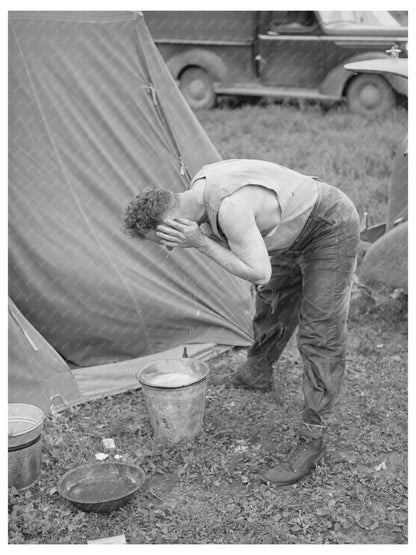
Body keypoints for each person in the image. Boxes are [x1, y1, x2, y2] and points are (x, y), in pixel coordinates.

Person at [122, 158, 360, 485]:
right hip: (295, 228)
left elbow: (258, 272)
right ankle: (256, 372)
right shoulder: (197, 190)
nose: (167, 246)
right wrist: (203, 233)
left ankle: (312, 440)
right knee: (272, 301)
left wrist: (201, 243)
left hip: (328, 225)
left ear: (169, 222)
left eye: (162, 238)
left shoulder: (229, 207)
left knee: (321, 332)